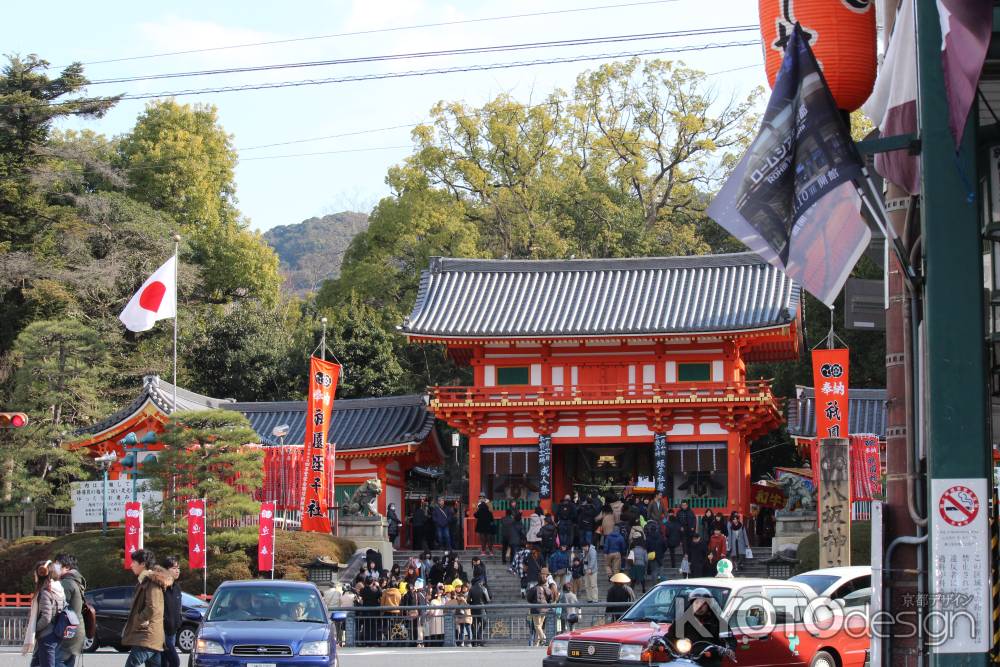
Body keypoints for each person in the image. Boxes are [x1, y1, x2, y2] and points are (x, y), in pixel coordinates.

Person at [122, 549, 172, 667]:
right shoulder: (145, 581)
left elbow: (152, 607)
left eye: (134, 562)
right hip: (150, 636)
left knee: (131, 664)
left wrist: (138, 619)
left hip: (147, 636)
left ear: (143, 564)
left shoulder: (151, 582)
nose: (131, 565)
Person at [667, 588, 730, 667]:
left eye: (703, 604)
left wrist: (718, 650)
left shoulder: (718, 622)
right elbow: (670, 636)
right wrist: (661, 644)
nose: (699, 606)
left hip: (708, 660)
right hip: (685, 659)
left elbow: (729, 641)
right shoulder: (683, 620)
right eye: (697, 603)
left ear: (708, 605)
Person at [22, 560, 65, 667]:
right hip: (56, 631)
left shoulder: (45, 592)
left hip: (47, 634)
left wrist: (34, 629)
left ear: (40, 573)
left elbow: (46, 617)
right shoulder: (58, 588)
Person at [54, 554, 85, 667]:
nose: (54, 567)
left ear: (66, 567)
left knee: (56, 661)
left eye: (57, 564)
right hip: (75, 628)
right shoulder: (76, 581)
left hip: (67, 629)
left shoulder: (66, 583)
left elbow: (57, 607)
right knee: (67, 662)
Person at [160, 557, 183, 667]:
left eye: (178, 568)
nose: (177, 570)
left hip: (172, 631)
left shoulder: (177, 587)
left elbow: (178, 608)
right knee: (173, 661)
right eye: (174, 568)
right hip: (161, 632)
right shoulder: (160, 586)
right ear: (165, 569)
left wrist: (179, 621)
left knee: (167, 662)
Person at [526, 576, 552, 647]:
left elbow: (529, 598)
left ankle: (543, 638)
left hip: (536, 609)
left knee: (537, 626)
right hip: (545, 608)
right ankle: (536, 644)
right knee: (539, 626)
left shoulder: (534, 589)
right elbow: (550, 598)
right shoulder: (547, 589)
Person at [467, 577, 490, 646]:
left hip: (473, 609)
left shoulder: (471, 589)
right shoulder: (483, 588)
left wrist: (472, 603)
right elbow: (488, 600)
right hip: (481, 609)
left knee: (474, 626)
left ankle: (475, 642)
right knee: (483, 623)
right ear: (480, 582)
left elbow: (468, 600)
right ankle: (480, 638)